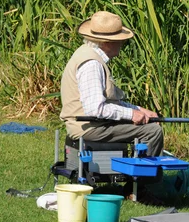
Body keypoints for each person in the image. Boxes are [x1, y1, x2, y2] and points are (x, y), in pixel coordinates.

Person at [59, 11, 163, 156]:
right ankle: (147, 178)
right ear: (108, 43)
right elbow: (95, 109)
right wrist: (132, 114)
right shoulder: (92, 64)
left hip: (92, 124)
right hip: (89, 128)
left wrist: (139, 110)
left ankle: (138, 170)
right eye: (119, 40)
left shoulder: (87, 53)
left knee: (149, 125)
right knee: (153, 131)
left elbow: (109, 102)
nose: (122, 43)